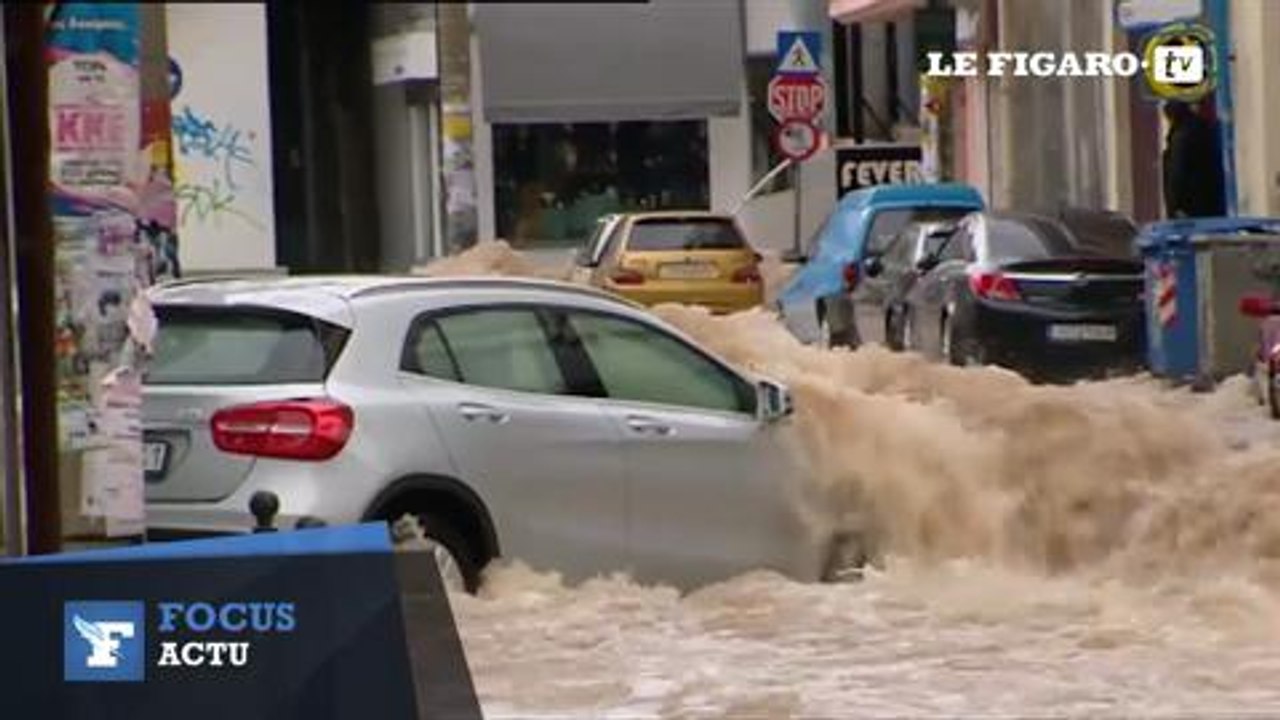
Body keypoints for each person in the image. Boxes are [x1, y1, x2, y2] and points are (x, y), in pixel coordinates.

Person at [1161, 100, 1226, 218]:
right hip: (1210, 202)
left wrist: (1176, 206)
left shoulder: (1181, 138)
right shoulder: (1204, 129)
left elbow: (1177, 173)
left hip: (1191, 208)